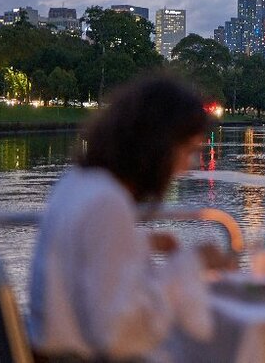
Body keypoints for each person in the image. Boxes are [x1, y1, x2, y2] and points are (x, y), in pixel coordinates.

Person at [28, 72, 220, 362]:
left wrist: (140, 241)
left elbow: (81, 257)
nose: (187, 165)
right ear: (157, 146)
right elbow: (120, 336)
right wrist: (191, 263)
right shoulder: (108, 203)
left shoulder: (77, 182)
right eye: (188, 150)